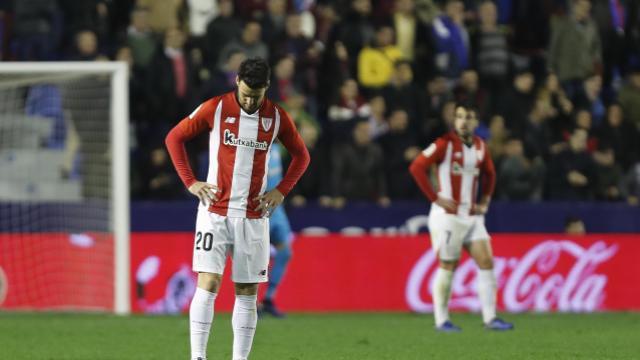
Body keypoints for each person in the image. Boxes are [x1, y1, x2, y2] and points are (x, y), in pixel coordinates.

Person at [165, 57, 310, 360]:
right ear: (237, 82)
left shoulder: (278, 118)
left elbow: (302, 156)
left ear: (266, 88)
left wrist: (282, 190)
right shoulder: (215, 108)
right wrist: (190, 181)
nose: (248, 100)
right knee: (209, 281)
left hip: (254, 216)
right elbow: (174, 138)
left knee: (247, 291)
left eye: (255, 96)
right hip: (214, 211)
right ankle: (198, 357)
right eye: (245, 94)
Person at [408, 103, 513, 332]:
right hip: (447, 217)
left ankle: (490, 318)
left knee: (486, 261)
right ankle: (441, 320)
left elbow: (490, 173)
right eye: (460, 117)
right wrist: (435, 197)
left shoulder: (480, 147)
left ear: (476, 122)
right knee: (448, 265)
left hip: (471, 216)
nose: (464, 121)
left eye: (469, 117)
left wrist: (485, 199)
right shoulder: (443, 144)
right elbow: (416, 167)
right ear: (455, 121)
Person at [258, 142, 294, 318]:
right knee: (253, 256)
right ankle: (250, 302)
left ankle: (268, 299)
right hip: (257, 207)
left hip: (277, 207)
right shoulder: (254, 145)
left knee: (285, 252)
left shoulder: (278, 148)